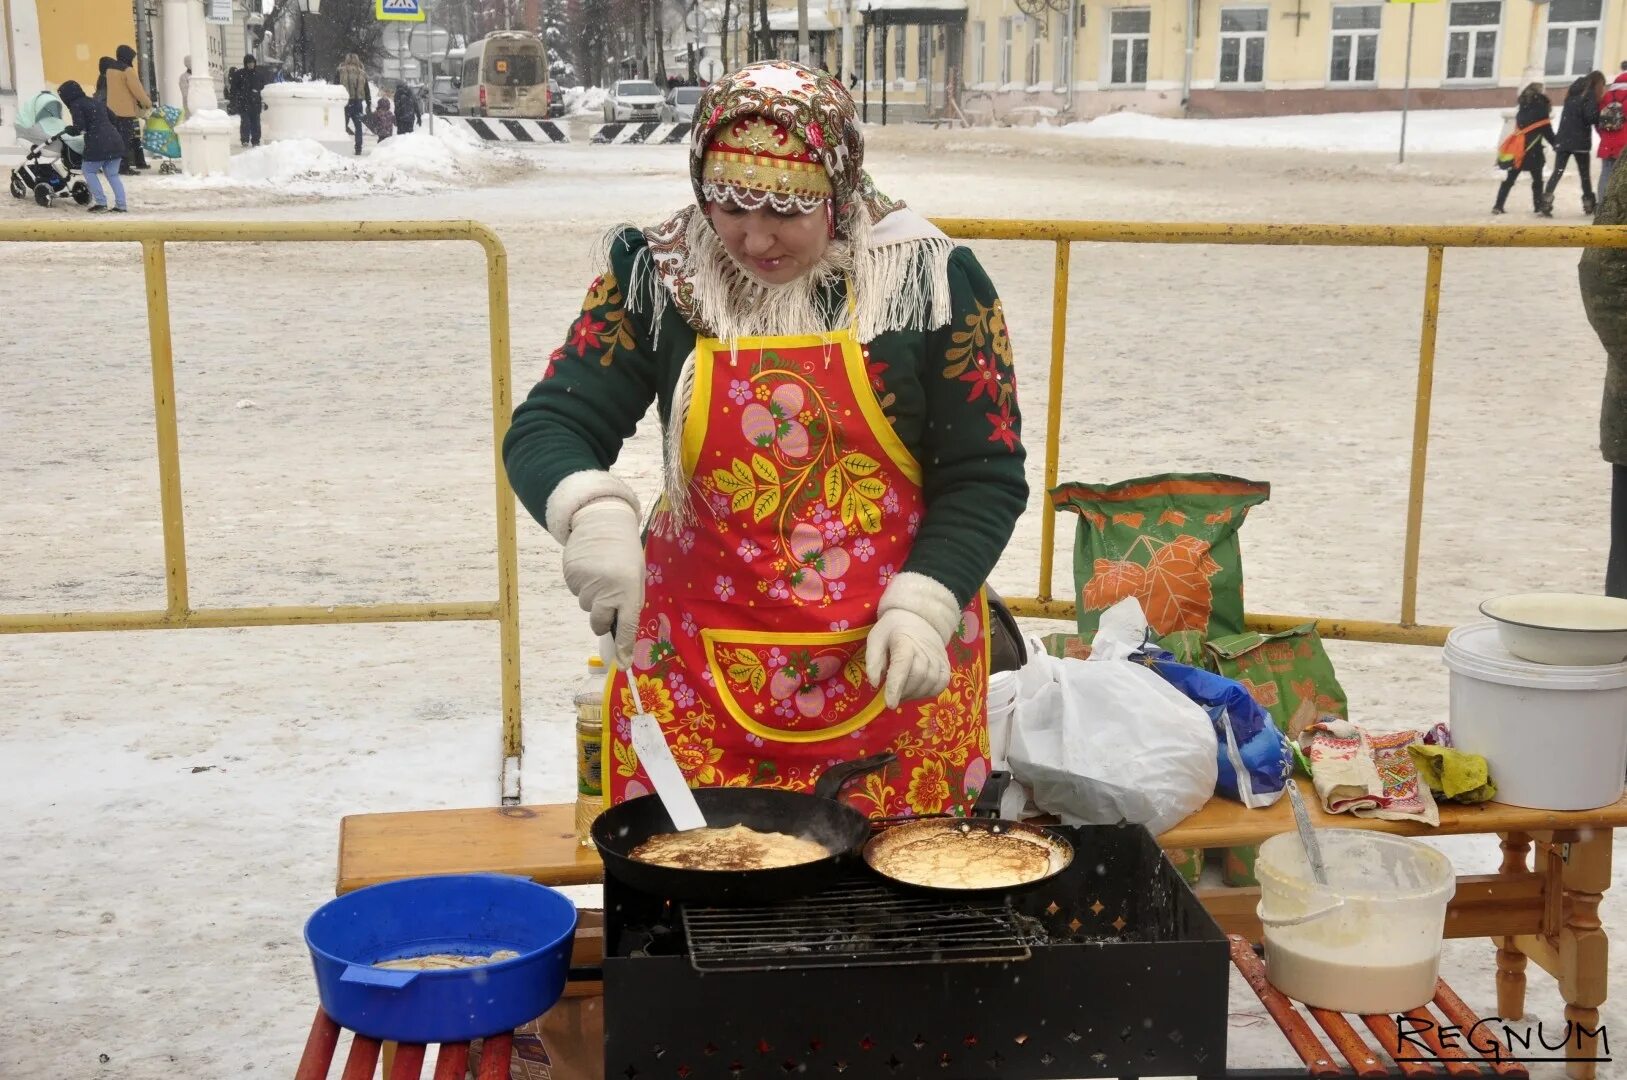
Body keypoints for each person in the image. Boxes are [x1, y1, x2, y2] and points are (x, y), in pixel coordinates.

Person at [504, 61, 1027, 818]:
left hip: (892, 667)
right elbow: (552, 423)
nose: (753, 238)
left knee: (897, 897)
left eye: (787, 209)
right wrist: (592, 512)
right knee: (696, 890)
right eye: (728, 204)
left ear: (839, 191)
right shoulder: (659, 278)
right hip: (696, 672)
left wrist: (926, 603)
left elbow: (984, 473)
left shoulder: (926, 282)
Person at [58, 79, 128, 213]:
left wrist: (69, 130)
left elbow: (80, 128)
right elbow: (113, 118)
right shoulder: (95, 101)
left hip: (98, 142)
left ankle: (101, 203)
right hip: (115, 140)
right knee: (113, 175)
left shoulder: (76, 105)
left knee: (88, 170)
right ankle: (121, 205)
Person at [1493, 83, 1554, 216]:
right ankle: (1538, 206)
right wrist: (1557, 144)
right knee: (1537, 180)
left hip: (1519, 149)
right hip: (1533, 150)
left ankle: (1498, 205)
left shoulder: (1523, 108)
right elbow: (1547, 131)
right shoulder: (1541, 110)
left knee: (1510, 179)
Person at [1548, 72, 1605, 215]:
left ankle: (1545, 200)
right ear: (1597, 83)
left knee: (1557, 172)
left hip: (1563, 139)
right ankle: (1589, 204)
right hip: (1580, 141)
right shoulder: (1589, 93)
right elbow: (1591, 116)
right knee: (1584, 174)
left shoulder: (1572, 92)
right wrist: (1603, 116)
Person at [105, 44, 152, 174]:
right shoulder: (127, 70)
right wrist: (147, 103)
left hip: (111, 110)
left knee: (116, 139)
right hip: (125, 111)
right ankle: (123, 167)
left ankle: (115, 164)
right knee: (125, 140)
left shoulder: (110, 70)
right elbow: (137, 91)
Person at [1596, 62, 1627, 202]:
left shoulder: (1606, 97)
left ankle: (1602, 204)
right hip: (1624, 143)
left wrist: (1604, 136)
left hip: (1607, 143)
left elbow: (1599, 121)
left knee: (1606, 174)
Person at [338, 53, 370, 156]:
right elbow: (367, 90)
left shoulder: (341, 71)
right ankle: (358, 148)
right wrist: (368, 103)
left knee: (343, 125)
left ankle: (340, 146)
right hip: (358, 102)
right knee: (358, 126)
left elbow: (335, 87)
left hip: (345, 102)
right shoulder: (362, 73)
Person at [229, 55, 264, 146]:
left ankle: (256, 140)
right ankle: (245, 140)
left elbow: (262, 86)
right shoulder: (240, 74)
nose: (251, 64)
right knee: (246, 122)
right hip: (244, 103)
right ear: (246, 64)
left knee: (256, 123)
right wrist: (237, 98)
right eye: (249, 63)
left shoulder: (258, 74)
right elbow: (234, 88)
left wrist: (257, 91)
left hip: (255, 103)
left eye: (252, 62)